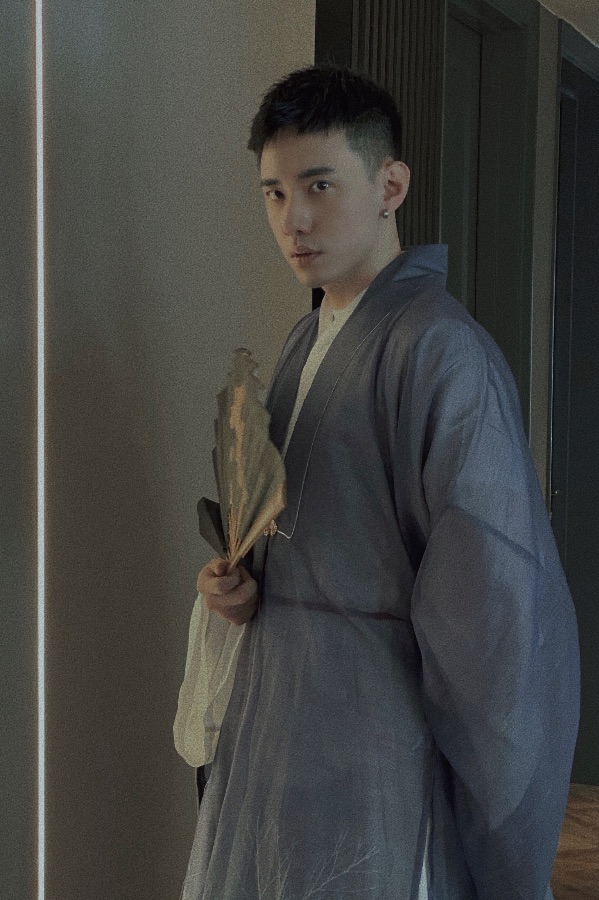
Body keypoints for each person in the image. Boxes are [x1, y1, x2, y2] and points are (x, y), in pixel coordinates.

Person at [178, 65, 580, 900]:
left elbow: (489, 601)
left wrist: (487, 792)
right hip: (280, 718)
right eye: (274, 192)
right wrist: (242, 589)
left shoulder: (440, 350)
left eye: (319, 186)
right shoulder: (304, 342)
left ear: (390, 185)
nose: (293, 219)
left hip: (377, 732)